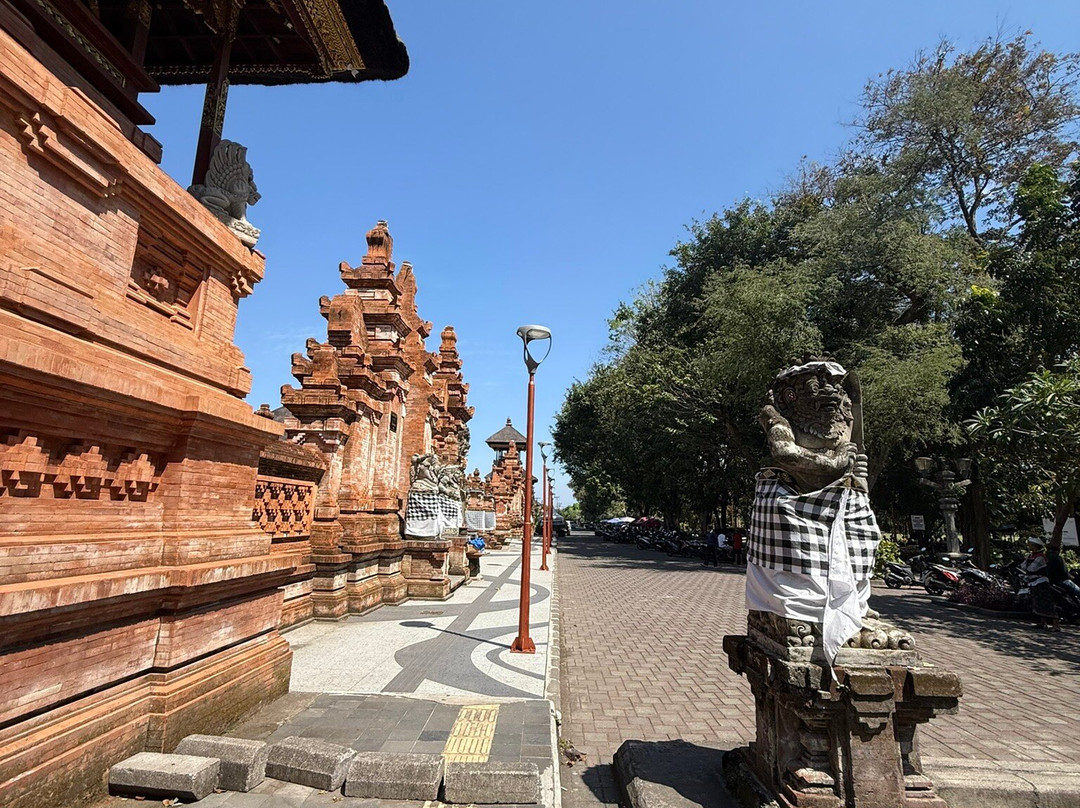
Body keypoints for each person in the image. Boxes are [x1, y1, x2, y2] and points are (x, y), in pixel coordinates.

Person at [1021, 537, 1059, 631]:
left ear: (1034, 546)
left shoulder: (1041, 557)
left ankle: (1056, 625)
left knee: (1047, 603)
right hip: (1033, 582)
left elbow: (1031, 569)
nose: (1029, 546)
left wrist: (1026, 567)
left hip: (1041, 582)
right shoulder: (1031, 556)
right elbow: (1023, 566)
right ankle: (1043, 623)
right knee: (1038, 603)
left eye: (1030, 544)